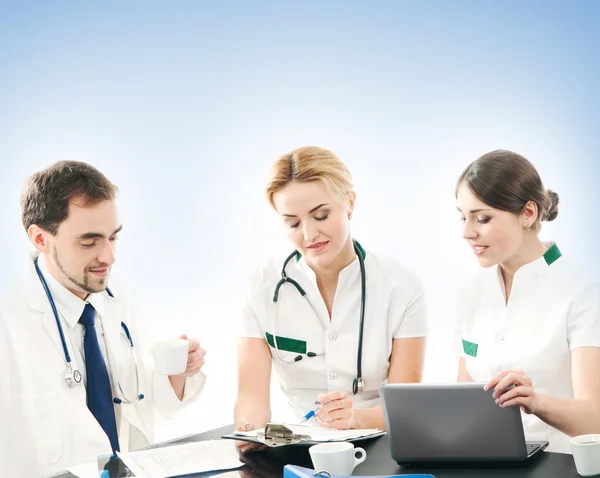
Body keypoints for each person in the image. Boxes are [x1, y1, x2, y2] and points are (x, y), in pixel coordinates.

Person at [0, 161, 207, 476]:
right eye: (89, 242)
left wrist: (177, 375)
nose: (109, 257)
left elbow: (140, 406)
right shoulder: (9, 321)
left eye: (114, 238)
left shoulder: (118, 299)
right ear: (40, 239)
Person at [234, 146, 427, 451]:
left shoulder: (401, 287)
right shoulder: (261, 288)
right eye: (293, 223)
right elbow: (251, 399)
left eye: (321, 215)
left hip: (378, 448)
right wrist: (248, 431)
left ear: (350, 203)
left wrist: (356, 418)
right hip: (293, 450)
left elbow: (406, 408)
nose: (309, 234)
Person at [454, 149, 600, 453]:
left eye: (482, 218)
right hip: (486, 462)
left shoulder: (583, 291)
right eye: (462, 217)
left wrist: (536, 402)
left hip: (561, 464)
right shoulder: (470, 291)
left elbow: (596, 420)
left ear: (528, 214)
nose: (467, 232)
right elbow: (464, 403)